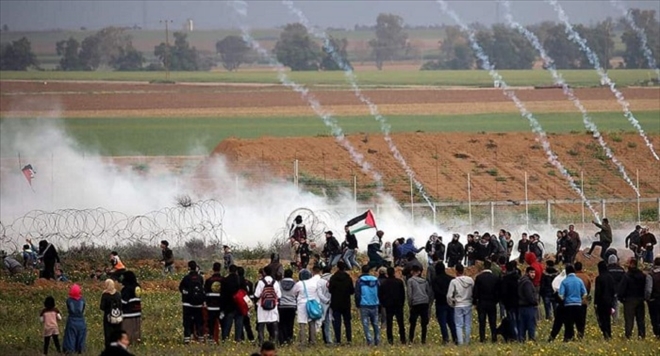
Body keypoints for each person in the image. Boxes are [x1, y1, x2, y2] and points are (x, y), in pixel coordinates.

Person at [618, 258, 647, 339]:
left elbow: (622, 288)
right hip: (640, 299)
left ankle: (628, 336)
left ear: (631, 264)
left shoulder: (627, 276)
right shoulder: (642, 275)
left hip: (629, 300)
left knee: (629, 320)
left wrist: (621, 298)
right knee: (640, 320)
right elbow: (646, 287)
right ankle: (641, 335)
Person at [254, 265, 282, 345]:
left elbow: (257, 295)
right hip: (273, 306)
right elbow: (279, 296)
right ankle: (275, 341)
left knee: (261, 325)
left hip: (262, 306)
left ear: (264, 272)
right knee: (274, 324)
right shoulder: (275, 282)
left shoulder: (261, 282)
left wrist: (256, 303)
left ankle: (261, 342)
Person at [447, 263, 474, 345]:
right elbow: (474, 291)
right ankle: (467, 341)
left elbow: (449, 296)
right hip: (468, 303)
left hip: (458, 304)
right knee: (467, 324)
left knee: (458, 325)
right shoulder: (470, 280)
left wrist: (451, 303)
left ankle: (460, 342)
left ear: (456, 271)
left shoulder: (454, 281)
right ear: (463, 270)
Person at [558, 264, 587, 342]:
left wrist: (564, 299)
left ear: (567, 272)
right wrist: (580, 299)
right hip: (578, 305)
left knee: (569, 325)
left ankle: (569, 338)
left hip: (568, 306)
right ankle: (580, 338)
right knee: (579, 324)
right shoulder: (579, 281)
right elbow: (585, 294)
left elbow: (561, 295)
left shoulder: (564, 282)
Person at [179, 261, 205, 344]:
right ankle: (200, 337)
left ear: (189, 267)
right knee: (199, 321)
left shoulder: (186, 278)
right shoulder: (200, 278)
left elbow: (181, 288)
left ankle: (187, 338)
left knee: (187, 321)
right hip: (198, 304)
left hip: (187, 304)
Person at [329, 261, 354, 345]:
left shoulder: (333, 278)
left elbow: (330, 290)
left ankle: (338, 340)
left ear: (337, 267)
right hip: (346, 303)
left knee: (337, 323)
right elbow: (352, 291)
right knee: (347, 322)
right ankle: (349, 339)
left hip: (335, 303)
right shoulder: (348, 278)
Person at [474, 261, 500, 343]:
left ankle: (482, 338)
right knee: (493, 321)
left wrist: (475, 302)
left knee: (482, 322)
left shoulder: (479, 278)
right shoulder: (495, 278)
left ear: (484, 267)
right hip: (492, 302)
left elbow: (475, 292)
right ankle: (494, 337)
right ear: (490, 267)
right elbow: (498, 292)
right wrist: (496, 300)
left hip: (482, 302)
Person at [432, 261, 457, 344]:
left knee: (442, 322)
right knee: (452, 321)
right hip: (450, 303)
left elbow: (435, 291)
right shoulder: (451, 279)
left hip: (440, 303)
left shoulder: (435, 279)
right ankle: (455, 337)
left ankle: (445, 338)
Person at [379, 266, 406, 345]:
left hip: (388, 305)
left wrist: (383, 303)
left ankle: (390, 340)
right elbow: (403, 294)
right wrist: (402, 303)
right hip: (398, 305)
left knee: (389, 324)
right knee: (401, 323)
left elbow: (380, 295)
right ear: (394, 273)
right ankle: (403, 339)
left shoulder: (384, 283)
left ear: (387, 274)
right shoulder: (399, 282)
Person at [355, 264, 380, 346]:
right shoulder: (375, 280)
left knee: (366, 324)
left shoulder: (359, 281)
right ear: (369, 271)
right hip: (375, 304)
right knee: (375, 323)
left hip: (364, 304)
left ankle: (369, 341)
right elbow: (379, 291)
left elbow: (357, 294)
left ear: (362, 271)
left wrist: (357, 304)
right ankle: (377, 340)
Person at [294, 269, 319, 346]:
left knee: (302, 324)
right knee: (312, 323)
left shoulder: (299, 284)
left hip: (302, 305)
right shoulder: (313, 283)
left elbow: (294, 292)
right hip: (312, 304)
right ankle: (312, 341)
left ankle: (302, 342)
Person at [407, 264, 431, 344]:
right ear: (420, 272)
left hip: (415, 303)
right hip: (424, 302)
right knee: (424, 323)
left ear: (412, 271)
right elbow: (428, 292)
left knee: (413, 323)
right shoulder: (425, 281)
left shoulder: (410, 281)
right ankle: (423, 340)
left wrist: (410, 304)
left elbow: (409, 294)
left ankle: (410, 339)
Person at [221, 264, 244, 342]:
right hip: (239, 305)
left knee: (227, 324)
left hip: (229, 306)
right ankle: (238, 339)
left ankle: (225, 339)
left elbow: (223, 295)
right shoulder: (240, 280)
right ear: (236, 271)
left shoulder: (225, 280)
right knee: (239, 324)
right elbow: (244, 293)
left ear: (229, 270)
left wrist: (223, 308)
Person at [594, 261, 616, 340]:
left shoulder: (599, 278)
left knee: (601, 318)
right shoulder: (610, 277)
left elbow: (597, 291)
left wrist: (595, 302)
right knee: (608, 318)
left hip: (601, 302)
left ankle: (605, 333)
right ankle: (609, 333)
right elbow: (613, 290)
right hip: (609, 301)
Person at [63, 284, 87, 354]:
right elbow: (82, 309)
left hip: (72, 319)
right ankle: (80, 350)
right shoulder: (83, 300)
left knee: (71, 336)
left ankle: (70, 350)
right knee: (81, 336)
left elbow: (69, 309)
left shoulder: (69, 300)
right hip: (81, 320)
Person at [500, 261, 520, 342]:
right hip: (518, 302)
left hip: (509, 303)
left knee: (512, 320)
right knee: (518, 319)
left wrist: (504, 302)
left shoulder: (505, 279)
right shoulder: (518, 277)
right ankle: (520, 335)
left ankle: (515, 336)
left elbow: (503, 292)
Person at [100, 279, 123, 347]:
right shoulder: (118, 294)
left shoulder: (105, 295)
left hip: (108, 317)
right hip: (118, 317)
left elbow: (102, 307)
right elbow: (121, 306)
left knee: (108, 334)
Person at [517, 267, 538, 342]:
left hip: (521, 307)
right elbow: (529, 296)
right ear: (527, 273)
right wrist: (535, 302)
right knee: (530, 325)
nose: (533, 274)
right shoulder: (527, 283)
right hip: (528, 307)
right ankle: (531, 340)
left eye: (534, 273)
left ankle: (521, 340)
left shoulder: (521, 281)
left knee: (522, 325)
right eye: (531, 272)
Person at [204, 262, 223, 343]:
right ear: (220, 269)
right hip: (221, 306)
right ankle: (222, 338)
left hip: (211, 306)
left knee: (211, 323)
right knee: (222, 323)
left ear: (213, 269)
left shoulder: (208, 281)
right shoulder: (223, 280)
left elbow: (205, 293)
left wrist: (206, 303)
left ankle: (211, 338)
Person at [278, 269, 297, 345]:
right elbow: (296, 294)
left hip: (282, 306)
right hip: (292, 306)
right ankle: (290, 338)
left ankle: (283, 339)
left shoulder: (279, 283)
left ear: (284, 275)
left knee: (282, 324)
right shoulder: (295, 284)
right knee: (290, 323)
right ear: (292, 274)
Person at [238, 266, 256, 342]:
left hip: (238, 305)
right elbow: (251, 296)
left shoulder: (237, 282)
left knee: (240, 323)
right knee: (247, 323)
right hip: (246, 305)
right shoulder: (249, 283)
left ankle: (241, 338)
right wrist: (249, 306)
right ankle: (251, 338)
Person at [574, 262, 591, 339]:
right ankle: (581, 334)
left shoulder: (572, 277)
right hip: (583, 301)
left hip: (573, 301)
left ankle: (571, 334)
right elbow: (588, 289)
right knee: (582, 319)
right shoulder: (586, 277)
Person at [316, 264, 333, 344]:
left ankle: (326, 339)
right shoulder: (333, 279)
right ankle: (330, 339)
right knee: (330, 322)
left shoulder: (320, 281)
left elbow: (319, 293)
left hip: (323, 303)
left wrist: (326, 300)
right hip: (332, 302)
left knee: (322, 321)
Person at [607, 254, 626, 323]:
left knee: (608, 306)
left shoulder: (606, 269)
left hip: (608, 291)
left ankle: (609, 319)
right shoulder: (621, 269)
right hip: (618, 291)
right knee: (616, 305)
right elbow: (624, 281)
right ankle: (615, 320)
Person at [647, 257, 660, 339]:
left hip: (654, 299)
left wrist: (648, 298)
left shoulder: (651, 275)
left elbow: (648, 289)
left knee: (654, 317)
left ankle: (657, 333)